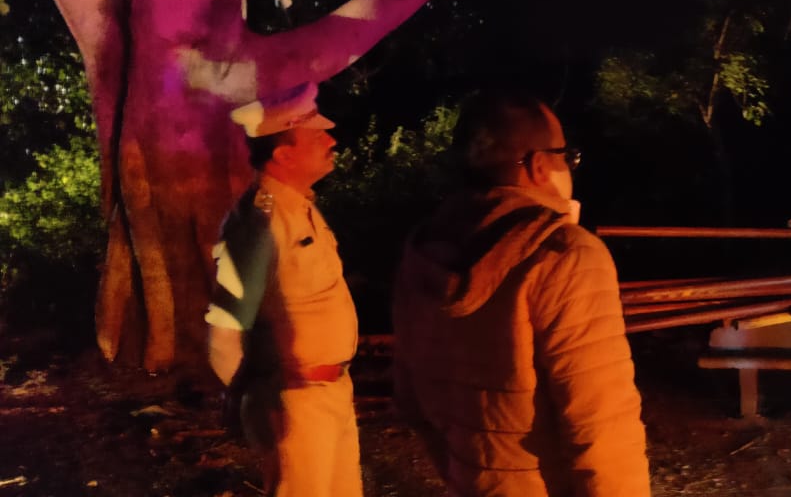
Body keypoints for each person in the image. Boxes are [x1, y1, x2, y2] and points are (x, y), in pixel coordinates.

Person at [392, 94, 650, 496]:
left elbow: (411, 396)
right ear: (539, 166)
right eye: (567, 156)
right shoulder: (565, 256)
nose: (571, 167)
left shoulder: (424, 250)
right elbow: (602, 423)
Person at [205, 82, 362, 497]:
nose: (331, 140)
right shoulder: (259, 224)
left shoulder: (299, 208)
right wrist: (259, 402)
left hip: (329, 392)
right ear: (284, 155)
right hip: (296, 402)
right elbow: (223, 334)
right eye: (316, 135)